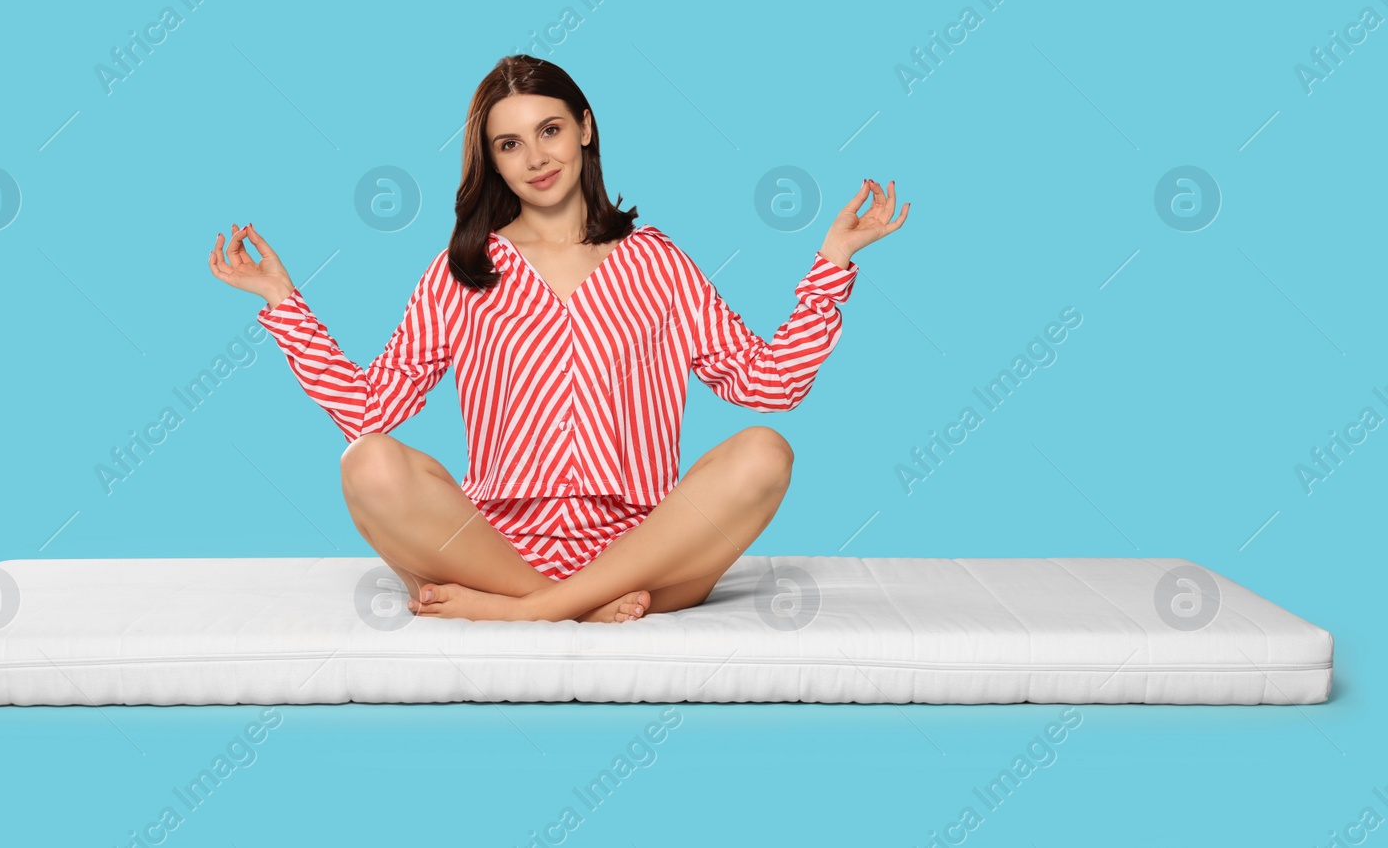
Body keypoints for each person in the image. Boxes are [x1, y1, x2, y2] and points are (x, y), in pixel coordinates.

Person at [208, 54, 908, 624]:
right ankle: (557, 603)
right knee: (366, 463)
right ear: (492, 160)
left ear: (585, 128)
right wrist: (281, 300)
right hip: (487, 547)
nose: (535, 157)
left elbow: (768, 386)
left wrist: (833, 262)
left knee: (764, 451)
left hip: (644, 555)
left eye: (549, 130)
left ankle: (525, 612)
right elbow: (369, 410)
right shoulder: (463, 271)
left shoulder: (656, 261)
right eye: (509, 144)